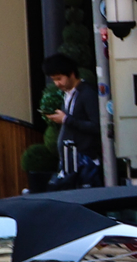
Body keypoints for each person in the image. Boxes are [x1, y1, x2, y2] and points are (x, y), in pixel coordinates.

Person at [44, 55, 102, 189]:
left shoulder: (87, 93)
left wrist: (66, 119)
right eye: (54, 80)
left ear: (71, 74)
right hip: (71, 160)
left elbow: (97, 126)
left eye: (59, 78)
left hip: (83, 161)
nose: (57, 83)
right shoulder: (69, 93)